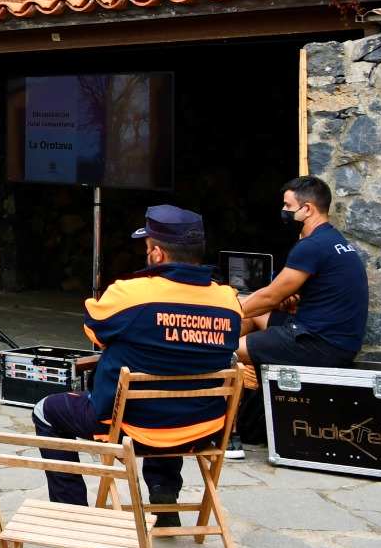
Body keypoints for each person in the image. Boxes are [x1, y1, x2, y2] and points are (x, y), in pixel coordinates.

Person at [32, 205, 243, 524]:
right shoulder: (228, 300)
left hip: (133, 426)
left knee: (46, 411)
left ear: (157, 254)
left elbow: (94, 330)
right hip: (200, 427)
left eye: (147, 249)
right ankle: (163, 491)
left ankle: (70, 514)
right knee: (174, 382)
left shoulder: (131, 294)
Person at [235, 176, 367, 447]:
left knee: (226, 348)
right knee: (250, 313)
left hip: (318, 342)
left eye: (287, 205)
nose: (283, 212)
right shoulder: (334, 240)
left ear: (307, 209)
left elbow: (272, 295)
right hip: (327, 335)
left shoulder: (311, 246)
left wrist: (221, 315)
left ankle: (229, 431)